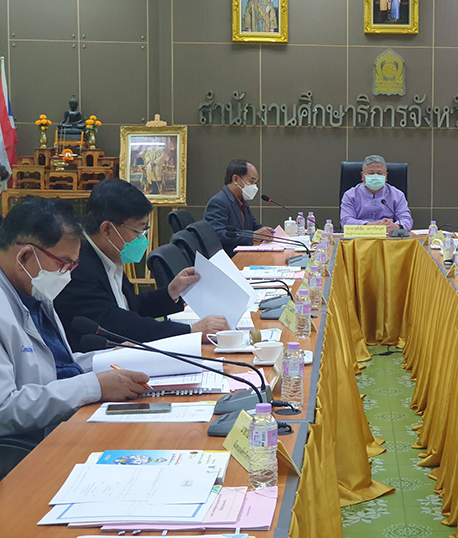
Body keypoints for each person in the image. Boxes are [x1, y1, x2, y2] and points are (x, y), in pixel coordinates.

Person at [0, 197, 149, 440]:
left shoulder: (33, 292)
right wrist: (94, 386)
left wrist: (111, 358)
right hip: (31, 448)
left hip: (67, 423)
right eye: (64, 264)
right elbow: (5, 410)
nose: (67, 276)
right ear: (25, 256)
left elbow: (55, 368)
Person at [55, 179, 229, 352]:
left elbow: (131, 306)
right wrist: (191, 331)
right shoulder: (77, 267)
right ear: (107, 229)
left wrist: (171, 292)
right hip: (98, 361)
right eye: (138, 230)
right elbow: (118, 323)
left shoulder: (109, 254)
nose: (142, 238)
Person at [204, 159, 274, 257]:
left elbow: (254, 225)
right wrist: (253, 236)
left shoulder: (241, 201)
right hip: (229, 257)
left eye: (255, 183)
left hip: (243, 254)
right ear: (236, 179)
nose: (255, 187)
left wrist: (265, 232)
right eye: (251, 181)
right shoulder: (218, 202)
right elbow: (217, 234)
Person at [340, 155, 413, 231]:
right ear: (362, 176)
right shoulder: (350, 195)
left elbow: (407, 220)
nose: (375, 176)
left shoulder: (398, 195)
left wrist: (396, 226)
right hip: (359, 236)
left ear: (386, 176)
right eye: (371, 173)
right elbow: (346, 221)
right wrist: (374, 226)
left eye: (379, 173)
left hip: (389, 236)